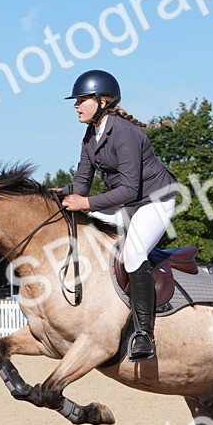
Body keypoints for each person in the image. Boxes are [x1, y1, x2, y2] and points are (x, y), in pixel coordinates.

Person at [59, 70, 181, 361]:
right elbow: (81, 183)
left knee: (134, 253)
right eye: (76, 100)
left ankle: (144, 334)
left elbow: (127, 189)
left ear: (103, 101)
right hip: (128, 204)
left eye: (82, 100)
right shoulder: (90, 136)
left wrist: (85, 202)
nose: (76, 105)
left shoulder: (125, 133)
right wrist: (54, 194)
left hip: (155, 201)